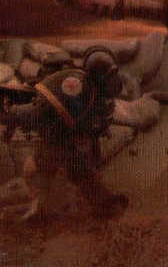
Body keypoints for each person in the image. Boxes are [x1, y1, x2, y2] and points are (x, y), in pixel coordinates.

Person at [5, 47, 128, 220]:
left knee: (79, 168)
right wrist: (13, 119)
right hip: (52, 136)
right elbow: (40, 115)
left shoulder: (97, 96)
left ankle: (100, 206)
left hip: (63, 137)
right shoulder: (75, 88)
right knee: (71, 169)